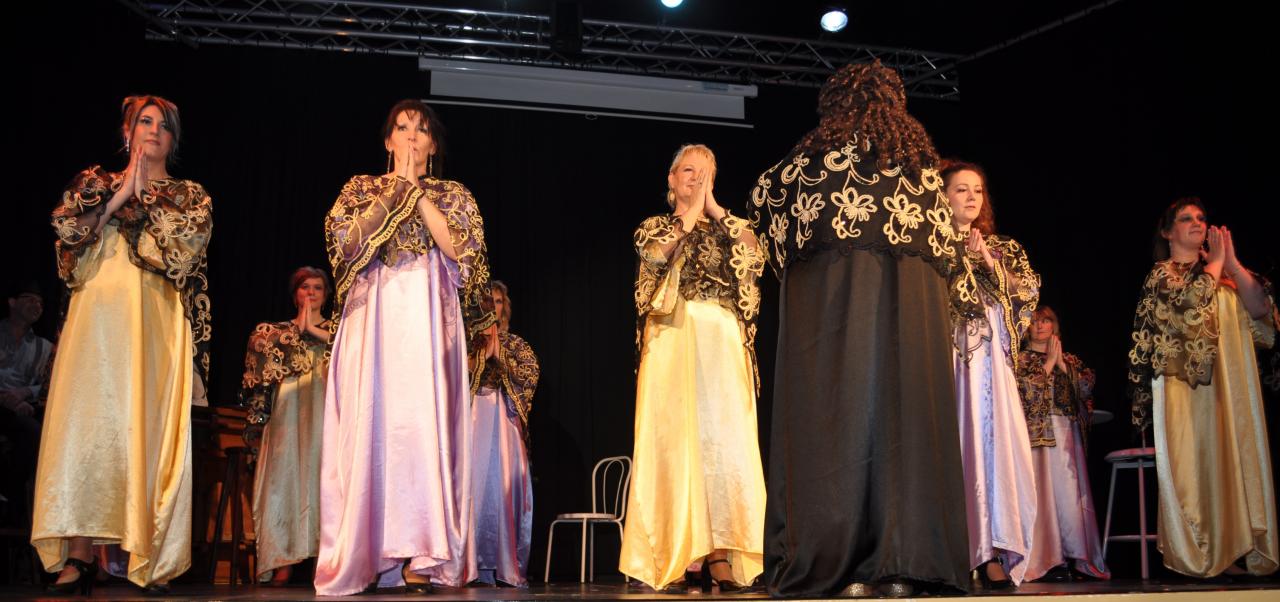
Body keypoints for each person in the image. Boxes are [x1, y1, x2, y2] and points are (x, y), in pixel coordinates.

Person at [747, 61, 970, 597]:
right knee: (905, 430)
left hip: (833, 330)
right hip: (910, 341)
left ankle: (839, 562)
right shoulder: (924, 180)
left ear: (833, 107)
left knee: (838, 423)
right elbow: (954, 271)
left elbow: (761, 210)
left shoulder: (806, 170)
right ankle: (905, 564)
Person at [33, 95, 213, 594]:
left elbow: (183, 252)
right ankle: (79, 554)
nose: (153, 131)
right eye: (144, 122)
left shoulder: (188, 196)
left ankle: (148, 556)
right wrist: (118, 198)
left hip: (153, 319)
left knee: (145, 426)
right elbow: (67, 234)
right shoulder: (94, 184)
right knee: (88, 427)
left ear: (173, 140)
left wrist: (147, 196)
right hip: (95, 317)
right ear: (127, 131)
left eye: (163, 125)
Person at [315, 99, 491, 595]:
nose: (412, 136)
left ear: (433, 145)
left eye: (421, 129)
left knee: (420, 430)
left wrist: (416, 192)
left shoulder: (453, 194)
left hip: (430, 320)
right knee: (373, 429)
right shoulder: (360, 188)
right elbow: (346, 243)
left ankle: (422, 552)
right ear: (388, 140)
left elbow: (466, 254)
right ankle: (368, 552)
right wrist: (396, 190)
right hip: (373, 319)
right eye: (402, 127)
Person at [620, 144, 767, 593]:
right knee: (675, 441)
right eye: (688, 170)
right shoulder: (656, 226)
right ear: (671, 178)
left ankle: (720, 553)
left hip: (721, 338)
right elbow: (655, 258)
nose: (695, 177)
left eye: (704, 172)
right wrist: (687, 217)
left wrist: (715, 209)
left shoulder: (729, 228)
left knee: (722, 444)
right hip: (673, 334)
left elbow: (754, 255)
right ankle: (676, 552)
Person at [1127, 198, 1277, 578]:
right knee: (1198, 465)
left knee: (1233, 460)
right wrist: (1216, 264)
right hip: (1186, 392)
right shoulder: (1162, 275)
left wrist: (1232, 264)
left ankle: (1232, 550)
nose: (1196, 222)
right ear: (1167, 232)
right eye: (1185, 218)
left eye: (1201, 217)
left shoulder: (1223, 274)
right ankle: (1202, 551)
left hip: (1231, 386)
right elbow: (1190, 303)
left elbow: (1262, 311)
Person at [941, 160, 1039, 588]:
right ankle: (953, 550)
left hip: (991, 369)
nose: (971, 197)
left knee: (994, 447)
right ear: (943, 197)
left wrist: (985, 258)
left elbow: (1027, 292)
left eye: (977, 190)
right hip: (949, 360)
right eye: (961, 189)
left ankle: (992, 548)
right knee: (955, 444)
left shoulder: (1002, 248)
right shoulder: (932, 246)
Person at [241, 267, 332, 586]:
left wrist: (313, 330)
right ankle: (282, 559)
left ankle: (326, 559)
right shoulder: (274, 334)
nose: (311, 293)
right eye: (305, 287)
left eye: (318, 287)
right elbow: (258, 357)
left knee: (323, 479)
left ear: (326, 295)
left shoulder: (339, 331)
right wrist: (299, 330)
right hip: (288, 417)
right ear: (295, 294)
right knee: (284, 479)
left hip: (325, 414)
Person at [1016, 306, 1109, 581]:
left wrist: (1061, 365)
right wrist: (1048, 364)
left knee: (1069, 495)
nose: (1040, 325)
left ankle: (1075, 555)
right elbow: (1024, 393)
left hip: (1066, 435)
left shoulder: (1069, 359)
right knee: (1042, 494)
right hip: (1037, 437)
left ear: (1054, 325)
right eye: (1034, 321)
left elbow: (1086, 388)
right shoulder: (1019, 359)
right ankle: (1045, 558)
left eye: (1046, 320)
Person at [468, 280, 539, 586]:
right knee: (474, 487)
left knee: (504, 486)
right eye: (488, 302)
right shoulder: (467, 343)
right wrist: (480, 358)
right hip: (473, 420)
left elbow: (530, 374)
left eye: (497, 302)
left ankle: (504, 564)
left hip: (504, 421)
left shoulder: (515, 344)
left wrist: (501, 359)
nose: (493, 308)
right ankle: (470, 564)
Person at [0, 281, 53, 522]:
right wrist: (6, 398)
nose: (37, 305)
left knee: (35, 432)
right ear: (12, 302)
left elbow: (50, 384)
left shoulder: (45, 347)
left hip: (21, 409)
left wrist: (25, 393)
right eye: (30, 299)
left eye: (40, 302)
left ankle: (9, 498)